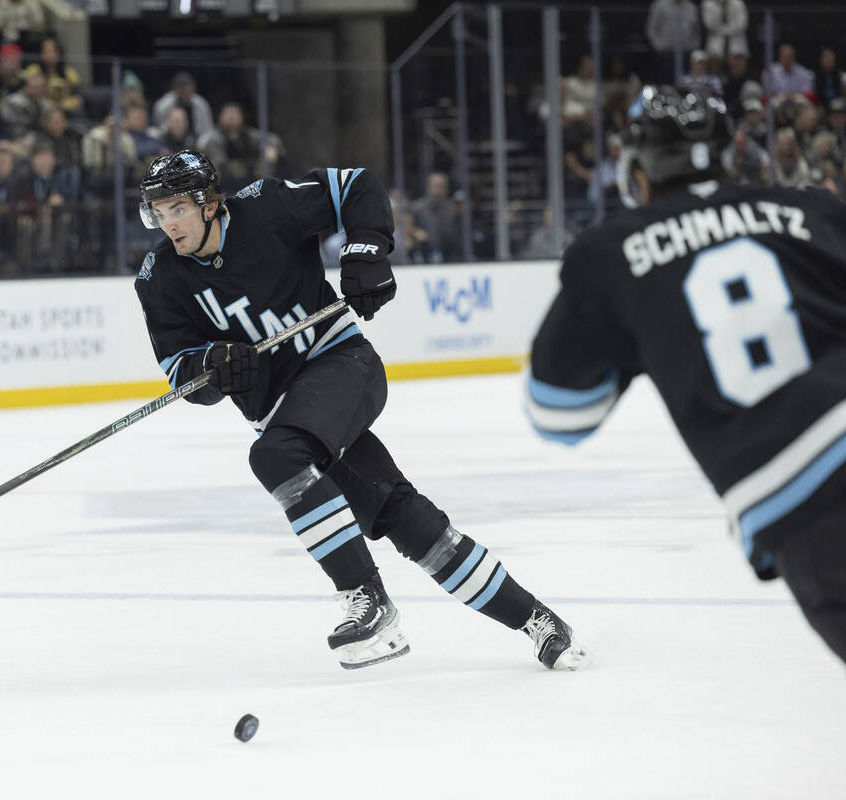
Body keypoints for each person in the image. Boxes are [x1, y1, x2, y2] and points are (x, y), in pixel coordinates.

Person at [133, 150, 589, 671]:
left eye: (176, 209)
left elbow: (356, 185)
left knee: (274, 456)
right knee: (406, 519)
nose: (167, 224)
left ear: (209, 203)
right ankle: (537, 620)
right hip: (297, 422)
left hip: (342, 364)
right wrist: (211, 368)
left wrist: (367, 251)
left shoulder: (267, 207)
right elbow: (180, 367)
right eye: (157, 212)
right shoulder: (158, 279)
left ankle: (366, 597)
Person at [526, 84, 846, 665]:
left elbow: (558, 414)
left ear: (638, 169)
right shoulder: (813, 210)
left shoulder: (612, 253)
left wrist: (633, 340)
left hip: (810, 506)